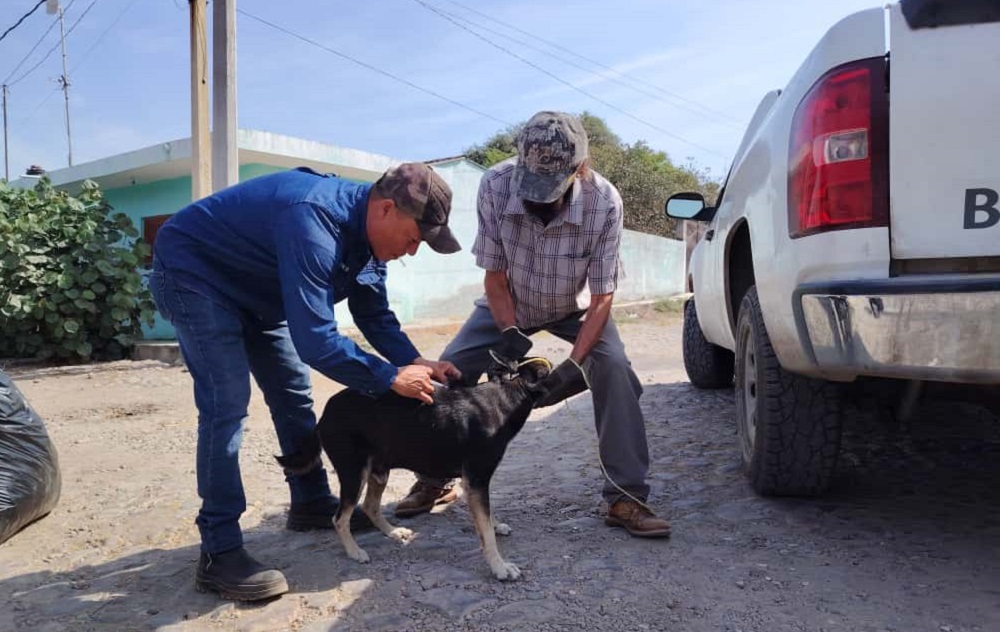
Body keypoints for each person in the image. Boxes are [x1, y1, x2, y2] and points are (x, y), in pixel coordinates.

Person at [149, 163, 463, 601]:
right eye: (414, 239)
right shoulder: (312, 220)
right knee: (226, 403)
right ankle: (218, 552)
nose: (413, 251)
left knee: (292, 391)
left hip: (260, 292)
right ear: (387, 209)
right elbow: (317, 341)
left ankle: (311, 502)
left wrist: (416, 361)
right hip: (196, 274)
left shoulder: (369, 241)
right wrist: (389, 377)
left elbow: (373, 315)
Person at [395, 111, 671, 538]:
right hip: (509, 302)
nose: (538, 199)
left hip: (576, 310)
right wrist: (507, 332)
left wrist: (572, 366)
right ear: (520, 161)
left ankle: (625, 496)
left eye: (551, 189)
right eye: (532, 185)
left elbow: (602, 300)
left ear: (580, 169)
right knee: (447, 373)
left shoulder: (605, 203)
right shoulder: (495, 184)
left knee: (615, 370)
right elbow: (495, 275)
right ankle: (436, 478)